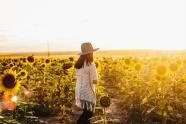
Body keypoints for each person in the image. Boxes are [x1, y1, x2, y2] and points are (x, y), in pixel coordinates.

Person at [74, 42, 99, 124]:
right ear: (91, 53)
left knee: (86, 112)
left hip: (79, 91)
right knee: (89, 114)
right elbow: (94, 81)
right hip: (87, 91)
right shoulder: (91, 65)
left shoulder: (78, 65)